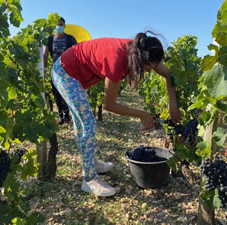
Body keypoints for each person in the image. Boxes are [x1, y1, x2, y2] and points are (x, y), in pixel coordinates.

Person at [51, 31, 182, 197]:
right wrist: (141, 114)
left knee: (82, 121)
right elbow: (109, 105)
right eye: (149, 67)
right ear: (140, 60)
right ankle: (89, 179)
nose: (150, 71)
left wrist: (173, 105)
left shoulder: (140, 49)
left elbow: (168, 74)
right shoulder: (116, 60)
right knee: (87, 122)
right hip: (65, 73)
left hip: (74, 72)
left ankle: (90, 163)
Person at [43, 17, 77, 125]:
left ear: (64, 26)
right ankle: (60, 116)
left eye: (61, 25)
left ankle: (67, 115)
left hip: (68, 71)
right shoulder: (50, 39)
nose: (59, 27)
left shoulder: (70, 39)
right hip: (55, 71)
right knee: (56, 94)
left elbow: (76, 54)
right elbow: (45, 54)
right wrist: (43, 69)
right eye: (57, 25)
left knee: (66, 93)